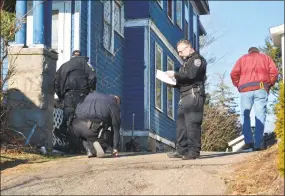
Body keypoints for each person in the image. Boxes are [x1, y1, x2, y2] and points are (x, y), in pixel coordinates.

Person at [230, 47, 279, 151]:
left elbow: (233, 74)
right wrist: (269, 84)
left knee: (245, 115)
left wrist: (239, 85)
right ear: (258, 51)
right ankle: (258, 144)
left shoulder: (242, 59)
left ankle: (248, 142)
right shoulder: (266, 58)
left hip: (245, 90)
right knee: (260, 115)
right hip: (261, 88)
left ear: (249, 52)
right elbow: (274, 72)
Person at [165, 39, 207, 160]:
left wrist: (175, 74)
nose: (180, 54)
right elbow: (184, 80)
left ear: (189, 48)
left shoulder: (198, 60)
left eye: (181, 51)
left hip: (194, 95)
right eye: (178, 52)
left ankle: (193, 152)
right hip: (184, 96)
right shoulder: (187, 62)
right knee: (181, 124)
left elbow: (192, 75)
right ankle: (181, 149)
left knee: (192, 123)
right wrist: (172, 83)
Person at [54, 50, 97, 153]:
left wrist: (61, 95)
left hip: (68, 95)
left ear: (72, 56)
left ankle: (64, 137)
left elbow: (56, 82)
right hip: (82, 95)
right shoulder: (86, 65)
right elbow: (93, 77)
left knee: (68, 119)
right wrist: (91, 90)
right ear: (81, 56)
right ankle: (81, 147)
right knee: (82, 119)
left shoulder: (64, 66)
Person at [71, 91, 121, 158]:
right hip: (93, 129)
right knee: (107, 130)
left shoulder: (91, 96)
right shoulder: (113, 104)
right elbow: (116, 128)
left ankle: (88, 149)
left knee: (85, 135)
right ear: (117, 101)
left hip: (76, 126)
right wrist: (115, 148)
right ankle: (100, 147)